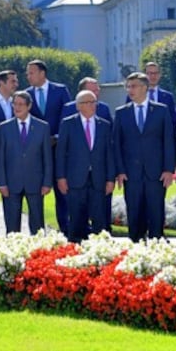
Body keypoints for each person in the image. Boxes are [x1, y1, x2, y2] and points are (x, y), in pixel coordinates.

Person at [114, 72, 175, 242]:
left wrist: (168, 169)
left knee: (156, 211)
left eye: (133, 86)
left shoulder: (161, 111)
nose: (130, 90)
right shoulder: (121, 113)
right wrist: (120, 170)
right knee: (134, 211)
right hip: (131, 173)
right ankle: (136, 244)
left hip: (156, 172)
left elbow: (168, 141)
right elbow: (117, 144)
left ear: (144, 88)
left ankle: (157, 244)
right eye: (128, 86)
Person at [57, 90, 115, 243]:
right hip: (75, 179)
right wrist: (61, 177)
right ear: (78, 106)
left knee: (99, 219)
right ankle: (75, 251)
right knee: (76, 218)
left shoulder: (104, 125)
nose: (91, 105)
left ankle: (100, 251)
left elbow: (109, 153)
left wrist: (110, 179)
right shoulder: (68, 123)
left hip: (98, 179)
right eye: (87, 102)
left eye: (93, 102)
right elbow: (61, 152)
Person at [25, 59, 72, 234]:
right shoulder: (26, 94)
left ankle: (66, 230)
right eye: (27, 73)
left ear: (42, 73)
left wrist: (57, 137)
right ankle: (37, 233)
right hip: (37, 154)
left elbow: (67, 115)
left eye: (31, 72)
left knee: (63, 192)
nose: (28, 76)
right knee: (37, 194)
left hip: (59, 150)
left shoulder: (60, 90)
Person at [0, 91, 52, 235]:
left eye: (21, 104)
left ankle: (39, 253)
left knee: (37, 225)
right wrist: (2, 183)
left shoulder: (42, 127)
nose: (17, 107)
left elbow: (47, 157)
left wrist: (47, 182)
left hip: (35, 183)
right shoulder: (4, 127)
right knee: (12, 226)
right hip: (11, 183)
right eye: (15, 104)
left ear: (29, 106)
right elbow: (0, 158)